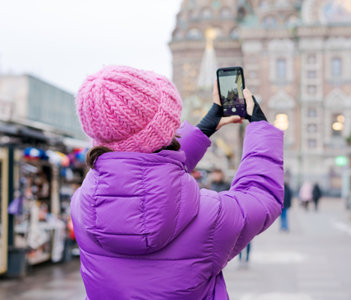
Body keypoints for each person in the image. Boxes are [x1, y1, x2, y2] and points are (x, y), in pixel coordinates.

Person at [71, 66, 284, 300]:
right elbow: (262, 196)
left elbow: (139, 174)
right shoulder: (210, 215)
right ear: (166, 130)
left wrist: (204, 129)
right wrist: (260, 129)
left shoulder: (82, 206)